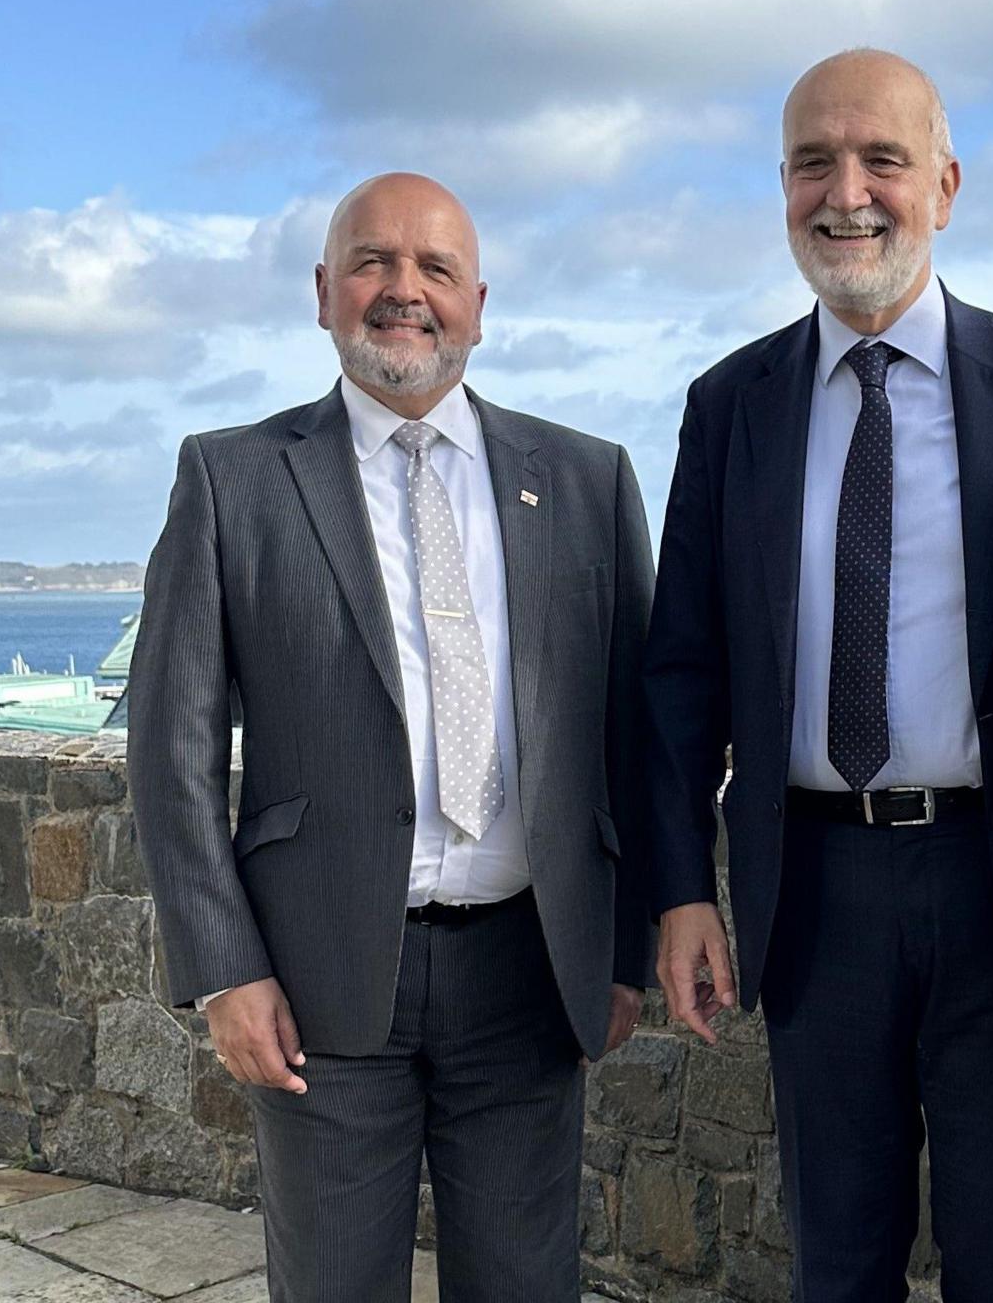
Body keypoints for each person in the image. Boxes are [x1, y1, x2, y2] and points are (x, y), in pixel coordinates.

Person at [641, 49, 993, 1301]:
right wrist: (684, 888)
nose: (844, 192)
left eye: (881, 160)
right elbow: (682, 668)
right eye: (812, 161)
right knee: (835, 1259)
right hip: (814, 889)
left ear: (946, 186)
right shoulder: (728, 404)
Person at [128, 172, 652, 1302]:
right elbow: (167, 754)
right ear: (323, 292)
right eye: (372, 262)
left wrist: (623, 946)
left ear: (478, 302)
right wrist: (224, 971)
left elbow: (633, 736)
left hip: (529, 971)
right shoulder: (232, 479)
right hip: (319, 981)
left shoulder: (585, 479)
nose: (401, 291)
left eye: (435, 269)